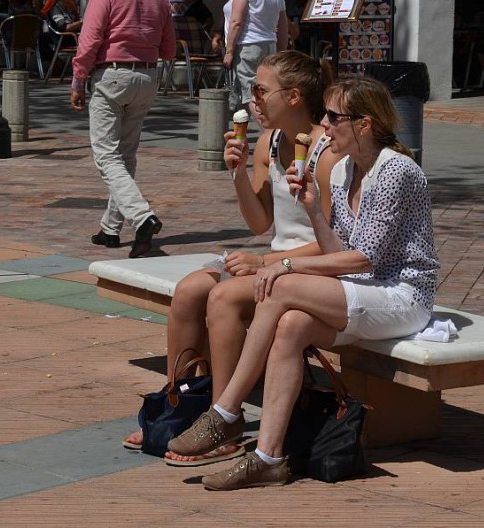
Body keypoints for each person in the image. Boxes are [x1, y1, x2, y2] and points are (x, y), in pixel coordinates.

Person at [167, 76, 440, 490]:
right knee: (291, 324)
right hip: (362, 288)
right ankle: (269, 457)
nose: (325, 125)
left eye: (334, 117)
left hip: (401, 295)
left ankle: (224, 412)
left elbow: (366, 258)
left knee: (279, 286)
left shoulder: (395, 171)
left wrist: (287, 264)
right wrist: (313, 209)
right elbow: (340, 249)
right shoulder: (346, 169)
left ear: (364, 124)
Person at [122, 50, 339, 462]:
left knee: (222, 297)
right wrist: (237, 172)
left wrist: (267, 263)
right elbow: (260, 224)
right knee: (188, 292)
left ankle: (224, 420)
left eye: (260, 91)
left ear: (293, 97)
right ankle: (183, 406)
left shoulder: (326, 153)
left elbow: (338, 242)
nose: (251, 100)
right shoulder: (269, 142)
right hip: (275, 262)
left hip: (312, 269)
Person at [70, 0, 175, 258]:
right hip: (147, 74)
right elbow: (169, 48)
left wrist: (77, 79)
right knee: (126, 155)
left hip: (112, 75)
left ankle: (142, 217)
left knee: (107, 156)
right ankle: (110, 228)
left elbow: (89, 40)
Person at [223, 0, 289, 115]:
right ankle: (249, 133)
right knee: (264, 91)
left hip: (248, 45)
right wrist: (281, 53)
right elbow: (283, 27)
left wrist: (229, 51)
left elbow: (236, 22)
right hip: (269, 46)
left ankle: (267, 130)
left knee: (249, 95)